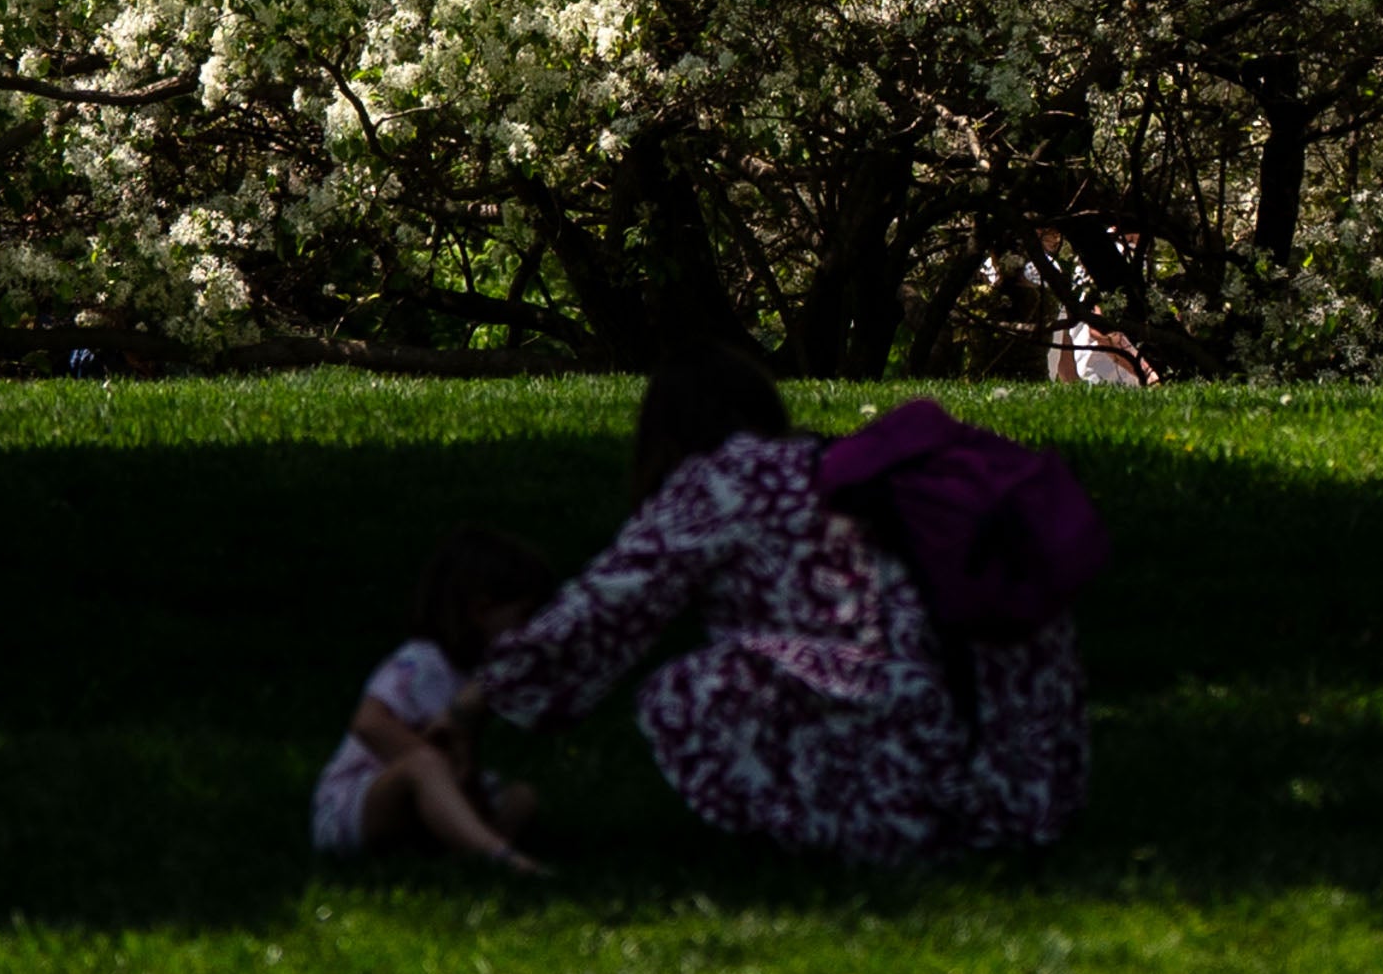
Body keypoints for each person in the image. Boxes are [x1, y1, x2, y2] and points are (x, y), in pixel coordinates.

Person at [463, 345, 1089, 867]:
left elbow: (605, 607)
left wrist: (476, 696)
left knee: (684, 691)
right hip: (1025, 784)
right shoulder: (829, 468)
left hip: (921, 758)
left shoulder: (727, 481)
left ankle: (846, 835)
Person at [317, 528, 558, 871]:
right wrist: (434, 766)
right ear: (481, 611)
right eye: (524, 617)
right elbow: (368, 723)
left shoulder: (478, 681)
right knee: (423, 764)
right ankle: (497, 855)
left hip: (425, 797)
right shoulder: (422, 662)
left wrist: (463, 775)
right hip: (355, 806)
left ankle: (463, 844)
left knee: (520, 798)